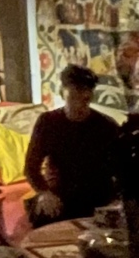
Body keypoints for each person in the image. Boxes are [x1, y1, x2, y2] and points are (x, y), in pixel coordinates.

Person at [24, 63, 120, 224]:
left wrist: (117, 199)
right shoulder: (47, 122)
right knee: (44, 215)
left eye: (85, 99)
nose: (78, 105)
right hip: (60, 195)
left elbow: (122, 169)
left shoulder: (106, 126)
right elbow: (31, 168)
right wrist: (44, 193)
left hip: (97, 197)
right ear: (62, 93)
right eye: (73, 97)